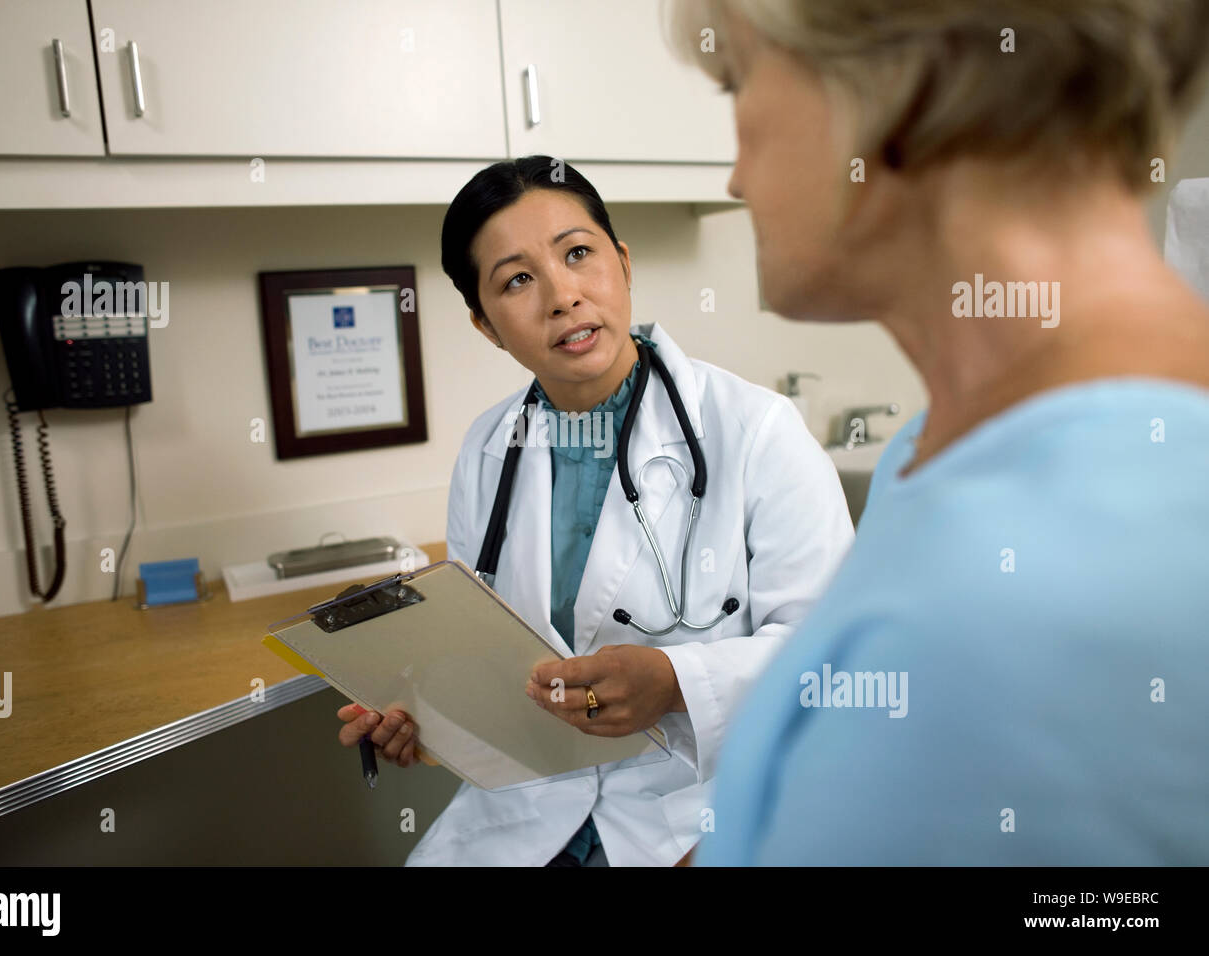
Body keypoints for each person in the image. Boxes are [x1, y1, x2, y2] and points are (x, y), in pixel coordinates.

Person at [660, 0, 1209, 863]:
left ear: (899, 84)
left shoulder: (1046, 592)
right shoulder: (940, 447)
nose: (734, 179)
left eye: (737, 80)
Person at [337, 155, 854, 865]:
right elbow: (485, 657)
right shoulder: (490, 448)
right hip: (522, 821)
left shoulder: (757, 431)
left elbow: (835, 664)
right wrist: (422, 716)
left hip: (699, 818)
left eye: (578, 254)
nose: (562, 296)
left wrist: (676, 684)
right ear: (485, 324)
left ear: (624, 263)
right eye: (517, 280)